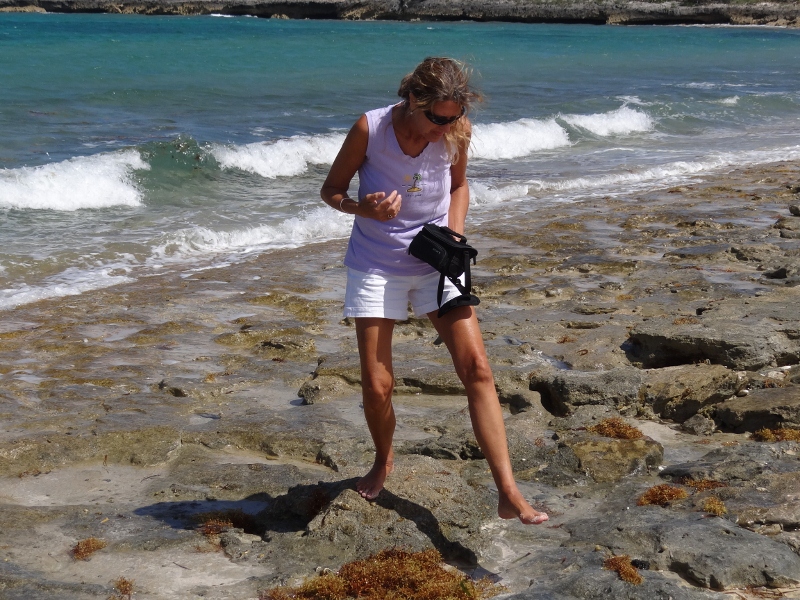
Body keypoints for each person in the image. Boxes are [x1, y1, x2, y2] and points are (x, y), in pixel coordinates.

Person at [320, 57, 548, 525]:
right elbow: (332, 191)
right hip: (377, 263)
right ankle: (383, 459)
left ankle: (508, 492)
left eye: (452, 117)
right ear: (413, 100)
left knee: (477, 368)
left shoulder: (457, 129)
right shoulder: (370, 128)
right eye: (436, 119)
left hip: (438, 259)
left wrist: (454, 235)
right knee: (377, 385)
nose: (443, 128)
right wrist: (363, 208)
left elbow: (459, 187)